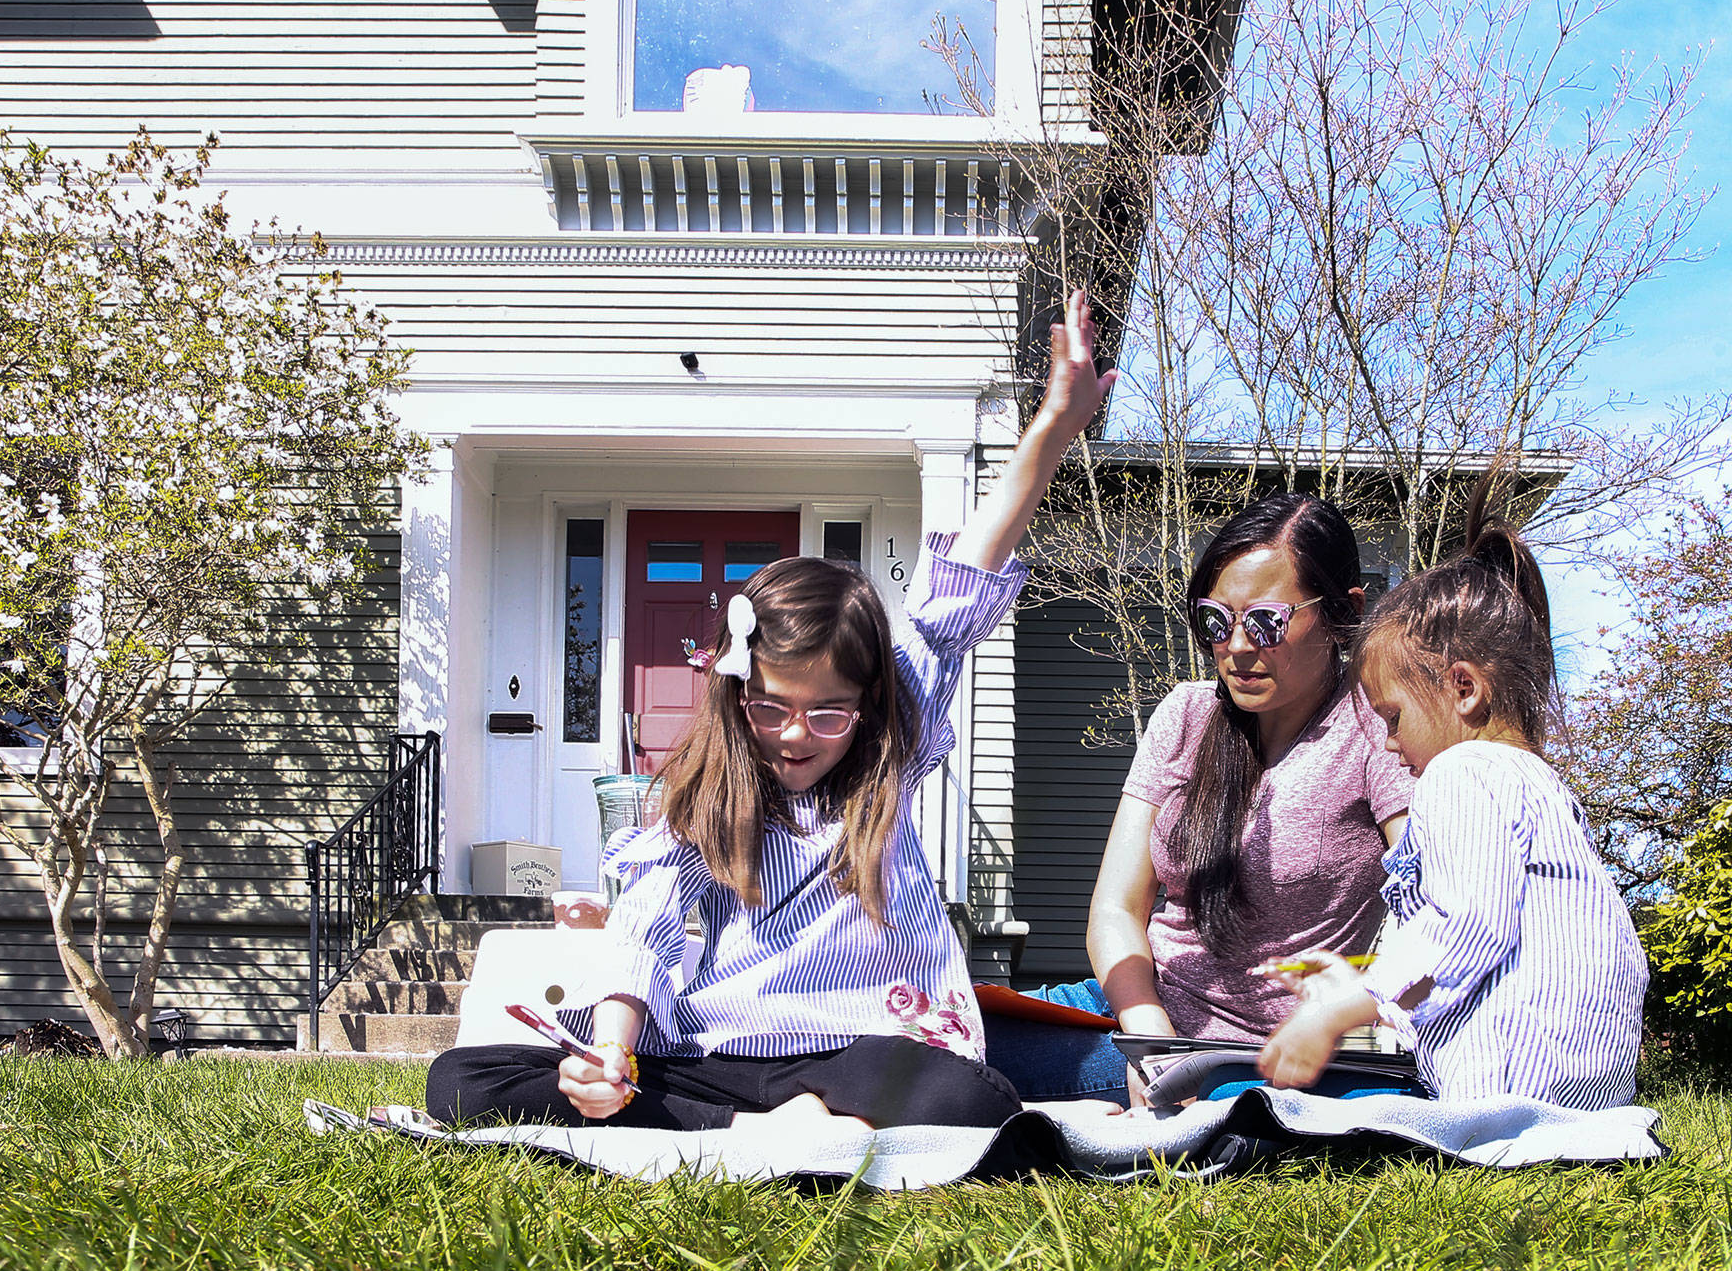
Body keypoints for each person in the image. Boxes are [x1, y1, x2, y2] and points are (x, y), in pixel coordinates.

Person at [425, 292, 1119, 1133]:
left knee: (967, 1097)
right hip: (718, 1053)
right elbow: (643, 926)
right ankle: (779, 1117)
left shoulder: (891, 742)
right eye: (771, 708)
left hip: (861, 1044)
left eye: (830, 713)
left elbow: (956, 589)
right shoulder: (704, 791)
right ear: (734, 690)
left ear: (869, 705)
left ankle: (795, 1111)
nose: (797, 734)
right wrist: (610, 1053)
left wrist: (1050, 430)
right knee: (462, 1080)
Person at [985, 492, 1415, 1104]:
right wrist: (1147, 1035)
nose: (1237, 647)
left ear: (1344, 614)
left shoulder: (1378, 732)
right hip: (1139, 1017)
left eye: (1267, 621)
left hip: (1267, 1054)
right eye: (1216, 620)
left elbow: (1441, 915)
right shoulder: (1185, 716)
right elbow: (1116, 909)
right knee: (928, 1046)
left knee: (1333, 1113)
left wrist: (1349, 1007)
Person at [1257, 474, 1647, 1109]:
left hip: (1509, 1086)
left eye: (1391, 718)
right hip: (1588, 1086)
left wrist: (1339, 1013)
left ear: (1464, 689)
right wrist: (1361, 982)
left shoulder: (1461, 772)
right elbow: (1495, 937)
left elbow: (1467, 927)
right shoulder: (1538, 783)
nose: (1387, 744)